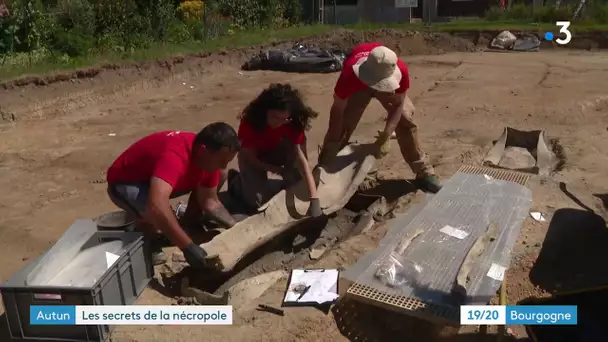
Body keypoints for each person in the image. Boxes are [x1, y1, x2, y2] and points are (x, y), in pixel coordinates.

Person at [105, 122, 240, 267]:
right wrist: (187, 247)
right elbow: (156, 205)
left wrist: (236, 226)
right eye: (221, 161)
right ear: (203, 151)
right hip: (126, 182)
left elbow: (210, 201)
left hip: (156, 178)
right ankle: (147, 238)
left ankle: (188, 223)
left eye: (227, 161)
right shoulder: (175, 156)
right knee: (158, 218)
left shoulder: (206, 156)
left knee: (220, 174)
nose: (224, 165)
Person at [318, 43, 442, 193]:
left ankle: (424, 171)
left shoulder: (400, 70)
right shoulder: (349, 75)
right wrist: (332, 142)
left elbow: (398, 106)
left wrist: (386, 135)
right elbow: (338, 110)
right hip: (359, 84)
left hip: (385, 80)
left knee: (405, 119)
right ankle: (324, 171)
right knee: (343, 124)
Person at [228, 83, 322, 217]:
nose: (279, 123)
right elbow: (250, 158)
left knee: (299, 187)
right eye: (274, 117)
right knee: (256, 202)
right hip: (255, 156)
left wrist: (314, 198)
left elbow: (302, 159)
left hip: (277, 151)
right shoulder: (250, 123)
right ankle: (236, 182)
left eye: (284, 119)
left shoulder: (291, 123)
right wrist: (278, 170)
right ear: (264, 111)